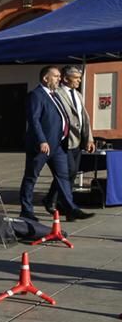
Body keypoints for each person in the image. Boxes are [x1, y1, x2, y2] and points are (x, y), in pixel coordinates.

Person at [20, 66, 94, 222]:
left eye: (60, 76)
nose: (59, 79)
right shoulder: (36, 95)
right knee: (31, 177)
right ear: (45, 78)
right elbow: (34, 120)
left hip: (59, 145)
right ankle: (26, 210)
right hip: (42, 146)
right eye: (56, 76)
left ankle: (71, 208)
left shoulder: (54, 95)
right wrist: (42, 140)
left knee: (63, 177)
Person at [42, 65, 96, 216]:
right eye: (76, 78)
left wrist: (89, 139)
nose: (79, 81)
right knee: (67, 172)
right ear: (66, 78)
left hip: (77, 142)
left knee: (71, 174)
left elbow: (84, 118)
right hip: (64, 141)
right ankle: (64, 203)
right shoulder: (56, 93)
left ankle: (56, 201)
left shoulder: (78, 95)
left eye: (80, 78)